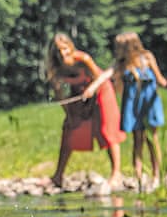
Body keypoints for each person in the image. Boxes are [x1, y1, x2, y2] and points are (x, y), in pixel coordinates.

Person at [46, 33, 126, 189]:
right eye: (58, 51)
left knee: (107, 130)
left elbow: (100, 79)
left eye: (65, 49)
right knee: (69, 128)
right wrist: (69, 115)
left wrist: (91, 91)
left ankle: (116, 173)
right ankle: (58, 175)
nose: (63, 54)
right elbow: (61, 96)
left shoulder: (83, 59)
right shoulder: (56, 69)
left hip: (101, 90)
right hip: (80, 94)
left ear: (70, 46)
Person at [112, 31, 167, 191]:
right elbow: (111, 80)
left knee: (152, 139)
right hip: (132, 105)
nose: (117, 49)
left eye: (120, 47)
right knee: (137, 141)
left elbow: (160, 79)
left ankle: (156, 176)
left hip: (149, 103)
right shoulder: (121, 64)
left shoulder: (147, 58)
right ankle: (139, 177)